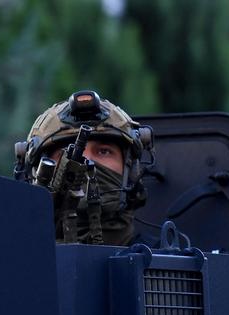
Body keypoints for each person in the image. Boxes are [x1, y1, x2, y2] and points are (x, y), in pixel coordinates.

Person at [14, 90, 153, 246]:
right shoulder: (8, 263)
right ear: (38, 172)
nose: (85, 163)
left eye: (103, 151)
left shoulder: (164, 262)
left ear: (132, 172)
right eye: (67, 154)